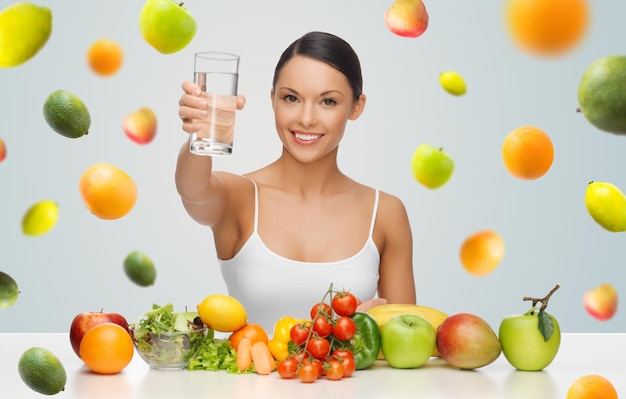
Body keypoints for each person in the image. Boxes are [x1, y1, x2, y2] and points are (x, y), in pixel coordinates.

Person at [176, 31, 416, 333]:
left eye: (328, 101)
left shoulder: (386, 213)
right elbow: (193, 190)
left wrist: (350, 333)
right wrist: (199, 132)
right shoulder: (240, 197)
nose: (306, 118)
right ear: (273, 99)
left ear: (356, 107)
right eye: (291, 98)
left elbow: (407, 339)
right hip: (248, 380)